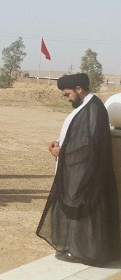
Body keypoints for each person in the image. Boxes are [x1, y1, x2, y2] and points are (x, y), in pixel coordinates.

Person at [37, 73, 120, 266]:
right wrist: (60, 143)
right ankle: (76, 250)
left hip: (86, 174)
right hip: (80, 170)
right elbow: (80, 137)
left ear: (79, 89)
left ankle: (84, 253)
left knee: (83, 213)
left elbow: (88, 146)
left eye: (67, 94)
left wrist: (62, 152)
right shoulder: (87, 107)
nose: (67, 99)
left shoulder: (92, 109)